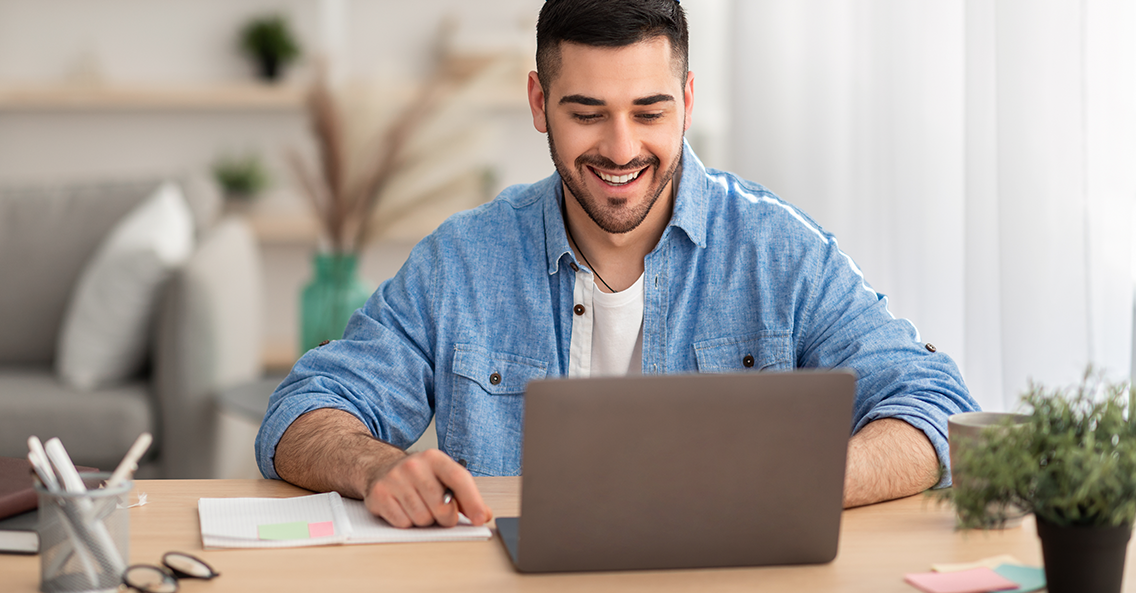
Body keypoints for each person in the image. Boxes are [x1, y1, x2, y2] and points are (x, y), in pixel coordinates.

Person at [255, 0, 979, 529]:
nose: (622, 147)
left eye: (650, 110)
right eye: (588, 111)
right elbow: (299, 412)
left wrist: (792, 482)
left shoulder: (778, 249)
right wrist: (377, 464)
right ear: (539, 103)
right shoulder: (463, 259)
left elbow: (937, 405)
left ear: (688, 101)